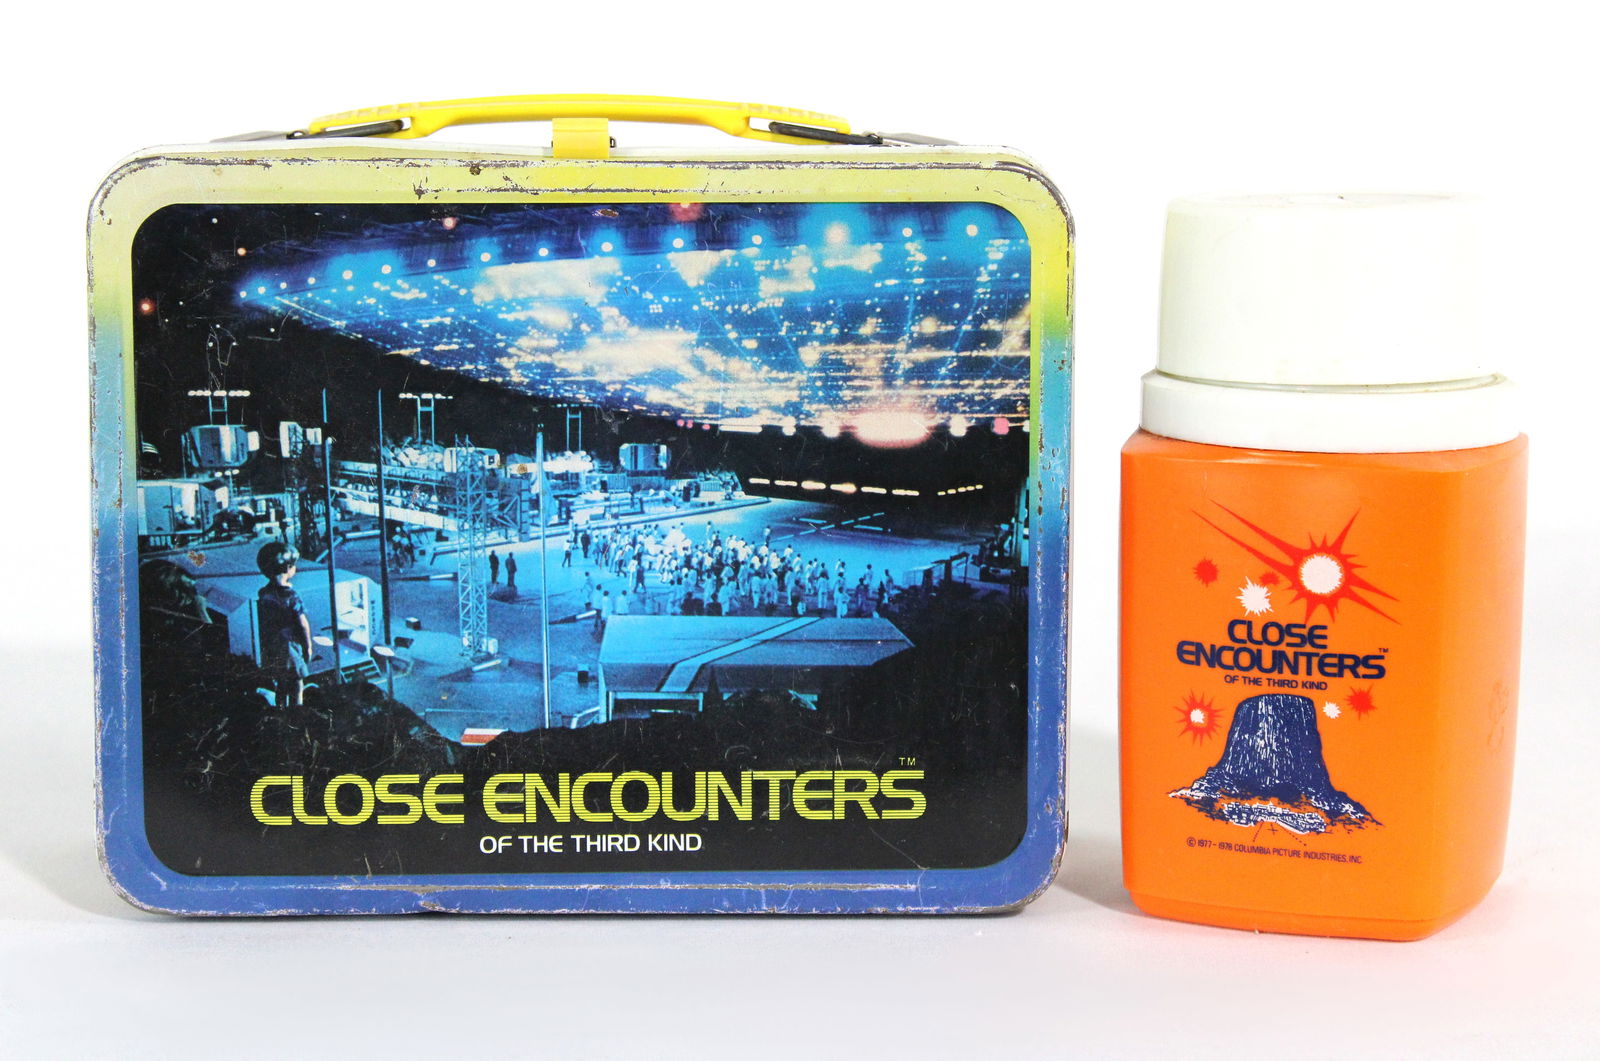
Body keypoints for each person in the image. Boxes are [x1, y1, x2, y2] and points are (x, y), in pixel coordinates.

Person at [256, 542, 313, 707]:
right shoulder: (292, 596)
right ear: (288, 568)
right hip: (290, 646)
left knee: (281, 683)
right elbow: (302, 624)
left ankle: (280, 710)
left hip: (273, 645)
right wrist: (308, 646)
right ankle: (296, 713)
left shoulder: (264, 593)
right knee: (296, 683)